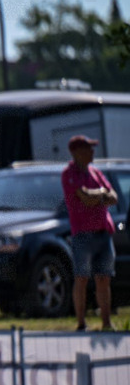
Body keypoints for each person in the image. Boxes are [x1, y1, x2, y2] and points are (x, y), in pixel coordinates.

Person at [61, 134, 118, 331]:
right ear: (76, 152)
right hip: (82, 234)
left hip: (103, 231)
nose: (93, 152)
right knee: (82, 277)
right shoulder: (69, 174)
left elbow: (113, 197)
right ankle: (81, 322)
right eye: (88, 148)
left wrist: (99, 195)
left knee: (104, 277)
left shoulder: (96, 172)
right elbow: (84, 197)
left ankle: (106, 322)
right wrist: (101, 194)